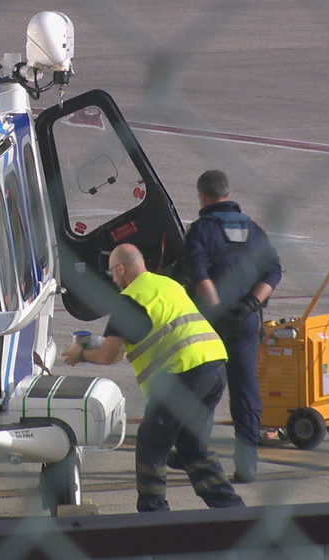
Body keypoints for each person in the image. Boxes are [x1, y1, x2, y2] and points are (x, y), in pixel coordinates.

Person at [63, 243, 243, 512]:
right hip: (213, 366)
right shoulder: (166, 284)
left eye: (112, 272)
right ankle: (232, 509)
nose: (112, 278)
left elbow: (109, 356)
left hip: (182, 374)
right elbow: (152, 330)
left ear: (121, 269)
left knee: (151, 443)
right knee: (191, 446)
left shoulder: (129, 299)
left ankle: (153, 512)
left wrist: (80, 354)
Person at [182, 169, 282, 484]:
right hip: (246, 320)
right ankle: (247, 462)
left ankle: (193, 452)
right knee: (246, 387)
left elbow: (198, 273)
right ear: (228, 193)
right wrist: (251, 304)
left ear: (203, 196)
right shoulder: (254, 230)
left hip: (211, 322)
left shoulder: (200, 231)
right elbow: (274, 271)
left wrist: (216, 308)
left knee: (202, 386)